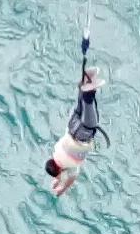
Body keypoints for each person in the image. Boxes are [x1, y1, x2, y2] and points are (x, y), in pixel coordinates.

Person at [42, 58, 103, 196]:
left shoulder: (69, 166)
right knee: (80, 106)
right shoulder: (56, 151)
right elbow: (59, 171)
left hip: (82, 135)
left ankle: (89, 93)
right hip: (71, 126)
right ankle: (84, 84)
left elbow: (71, 178)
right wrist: (58, 180)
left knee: (90, 115)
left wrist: (62, 188)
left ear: (60, 171)